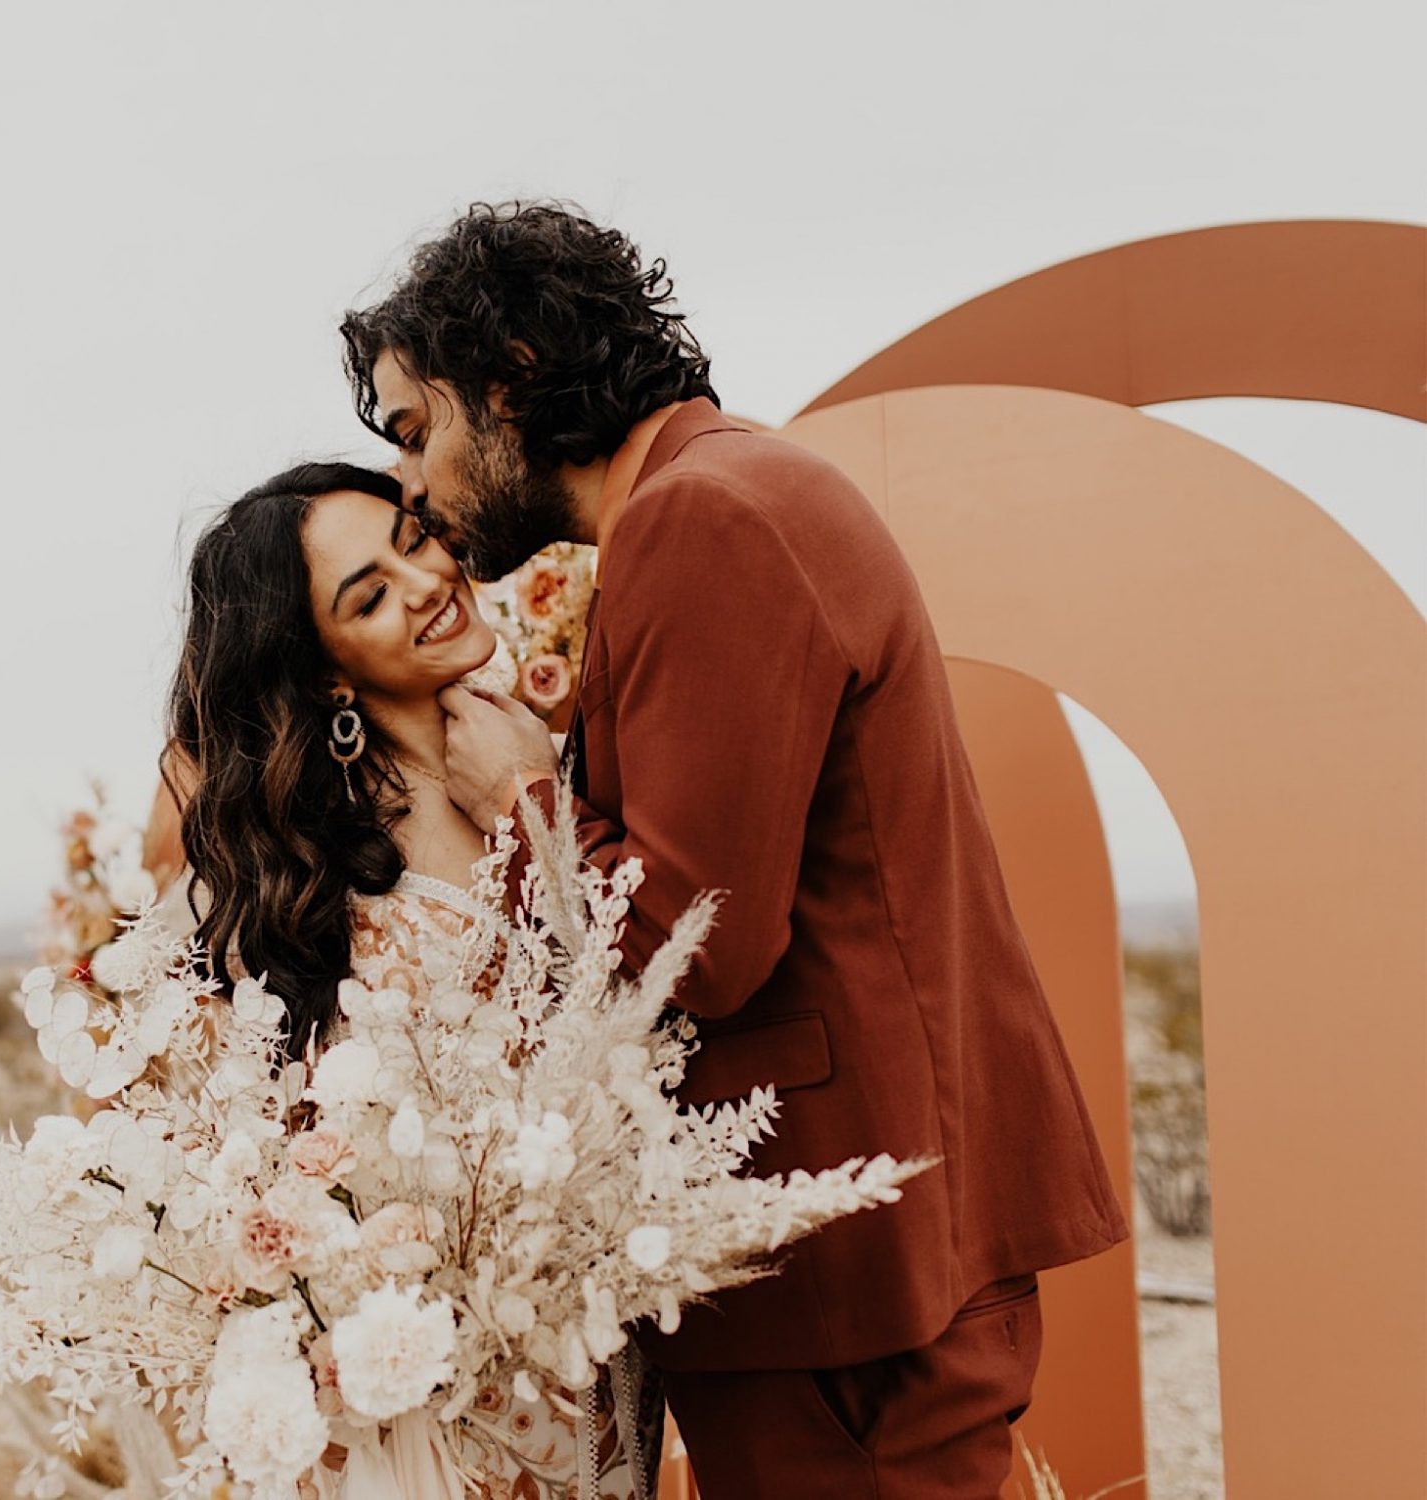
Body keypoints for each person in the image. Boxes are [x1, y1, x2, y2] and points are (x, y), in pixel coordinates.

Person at [338, 201, 1128, 1498]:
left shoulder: (705, 520)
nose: (411, 485)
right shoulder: (738, 491)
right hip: (869, 1265)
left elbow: (688, 949)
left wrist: (530, 795)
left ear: (511, 377)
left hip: (853, 1289)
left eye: (415, 430)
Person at [166, 460, 648, 1499]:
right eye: (369, 594)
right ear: (327, 670)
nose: (426, 581)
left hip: (602, 1335)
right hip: (452, 1374)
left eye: (414, 539)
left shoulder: (548, 761)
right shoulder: (334, 861)